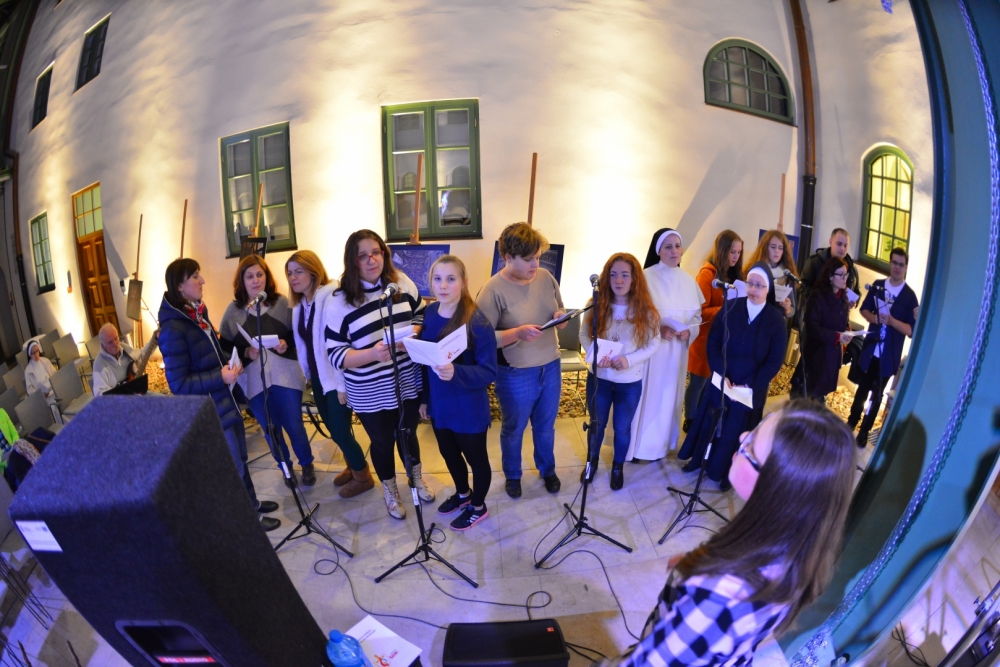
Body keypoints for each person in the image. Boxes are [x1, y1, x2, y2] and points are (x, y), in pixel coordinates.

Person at [597, 399, 855, 667]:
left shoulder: (717, 596)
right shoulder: (795, 551)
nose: (742, 436)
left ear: (773, 490)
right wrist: (696, 565)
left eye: (751, 445)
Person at [158, 258, 280, 532]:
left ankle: (252, 504)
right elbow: (178, 384)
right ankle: (247, 521)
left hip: (225, 401)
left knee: (241, 460)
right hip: (209, 411)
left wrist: (233, 362)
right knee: (232, 467)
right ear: (180, 286)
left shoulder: (196, 315)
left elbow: (211, 355)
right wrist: (219, 377)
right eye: (195, 277)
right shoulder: (173, 329)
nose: (202, 281)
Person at [325, 230, 433, 519]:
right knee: (383, 442)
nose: (371, 260)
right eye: (363, 255)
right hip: (370, 389)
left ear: (384, 254)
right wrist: (372, 354)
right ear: (352, 261)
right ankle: (390, 491)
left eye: (376, 252)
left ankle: (416, 479)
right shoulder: (339, 301)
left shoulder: (401, 282)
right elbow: (335, 354)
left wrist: (413, 333)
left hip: (406, 380)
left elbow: (421, 314)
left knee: (408, 434)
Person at [476, 222, 568, 499]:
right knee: (514, 428)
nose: (535, 264)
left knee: (545, 426)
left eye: (538, 257)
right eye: (528, 259)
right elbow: (480, 338)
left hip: (550, 365)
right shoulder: (492, 290)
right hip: (515, 373)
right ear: (508, 257)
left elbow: (559, 307)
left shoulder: (545, 277)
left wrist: (560, 317)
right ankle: (513, 475)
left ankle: (547, 469)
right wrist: (516, 333)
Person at [679, 261, 787, 490]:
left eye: (759, 285)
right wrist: (720, 371)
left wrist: (751, 383)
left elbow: (774, 361)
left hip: (749, 389)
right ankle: (698, 461)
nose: (753, 289)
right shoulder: (731, 307)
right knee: (709, 424)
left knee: (735, 432)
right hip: (722, 380)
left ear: (768, 289)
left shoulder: (775, 320)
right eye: (750, 284)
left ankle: (727, 473)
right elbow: (713, 343)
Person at [220, 255, 317, 488]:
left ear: (267, 277)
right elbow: (223, 349)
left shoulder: (281, 303)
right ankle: (286, 469)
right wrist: (246, 353)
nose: (255, 281)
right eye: (249, 276)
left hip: (286, 375)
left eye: (259, 275)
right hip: (254, 381)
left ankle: (306, 464)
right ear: (241, 281)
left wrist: (285, 343)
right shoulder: (233, 312)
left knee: (294, 425)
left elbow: (298, 335)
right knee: (271, 430)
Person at [418, 255, 497, 531]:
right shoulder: (429, 313)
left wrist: (457, 372)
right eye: (438, 279)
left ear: (464, 282)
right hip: (440, 404)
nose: (443, 285)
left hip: (468, 406)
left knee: (476, 460)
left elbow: (489, 371)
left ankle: (479, 506)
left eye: (451, 279)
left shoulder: (477, 321)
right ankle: (463, 494)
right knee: (449, 454)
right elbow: (427, 361)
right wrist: (425, 399)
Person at [286, 250, 374, 498]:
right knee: (335, 428)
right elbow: (306, 346)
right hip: (318, 379)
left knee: (339, 430)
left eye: (298, 272)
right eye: (289, 273)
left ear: (313, 272)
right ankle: (353, 466)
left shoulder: (331, 298)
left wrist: (341, 384)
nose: (293, 278)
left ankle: (363, 476)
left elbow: (342, 342)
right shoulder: (300, 306)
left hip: (336, 379)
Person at [579, 253, 660, 489]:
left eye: (625, 275)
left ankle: (617, 467)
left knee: (622, 428)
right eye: (613, 274)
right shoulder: (595, 303)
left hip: (629, 382)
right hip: (600, 379)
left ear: (635, 278)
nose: (618, 280)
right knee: (596, 424)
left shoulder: (645, 310)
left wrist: (629, 360)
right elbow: (583, 334)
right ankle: (592, 462)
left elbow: (653, 343)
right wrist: (595, 354)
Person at [631, 229, 704, 460]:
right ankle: (640, 448)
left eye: (677, 246)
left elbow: (696, 317)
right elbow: (635, 315)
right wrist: (658, 329)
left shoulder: (688, 281)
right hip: (652, 352)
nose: (674, 251)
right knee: (648, 398)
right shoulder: (645, 278)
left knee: (669, 398)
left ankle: (662, 446)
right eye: (668, 247)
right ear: (658, 251)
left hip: (676, 353)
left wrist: (690, 331)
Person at [847, 248, 918, 447]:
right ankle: (851, 423)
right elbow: (864, 309)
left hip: (889, 356)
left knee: (876, 396)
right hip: (871, 350)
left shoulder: (909, 297)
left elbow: (911, 330)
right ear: (890, 263)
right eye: (894, 263)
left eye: (901, 264)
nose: (897, 267)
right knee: (862, 389)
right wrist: (876, 318)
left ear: (906, 267)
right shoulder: (878, 286)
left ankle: (864, 432)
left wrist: (893, 321)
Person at [684, 230, 744, 432]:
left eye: (738, 252)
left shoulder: (734, 275)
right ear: (722, 250)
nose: (736, 257)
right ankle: (690, 419)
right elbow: (700, 311)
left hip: (721, 340)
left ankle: (701, 418)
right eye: (732, 252)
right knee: (697, 384)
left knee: (711, 383)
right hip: (704, 339)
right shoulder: (707, 274)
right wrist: (727, 307)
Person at [792, 257, 853, 402]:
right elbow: (812, 326)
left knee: (820, 395)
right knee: (807, 396)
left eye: (846, 274)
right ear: (830, 276)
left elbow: (843, 321)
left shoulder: (844, 297)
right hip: (817, 354)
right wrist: (837, 337)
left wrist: (847, 331)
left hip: (832, 355)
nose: (845, 278)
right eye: (841, 275)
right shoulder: (818, 296)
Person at [800, 228, 860, 307]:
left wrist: (854, 302)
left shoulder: (852, 269)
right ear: (831, 242)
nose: (842, 248)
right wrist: (819, 300)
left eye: (845, 245)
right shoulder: (815, 262)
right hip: (816, 311)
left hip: (840, 312)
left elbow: (857, 291)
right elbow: (802, 287)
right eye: (839, 244)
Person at [745, 230, 799, 318]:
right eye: (773, 247)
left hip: (776, 321)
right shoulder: (756, 271)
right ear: (765, 248)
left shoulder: (787, 275)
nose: (777, 251)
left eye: (780, 248)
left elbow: (792, 311)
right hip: (755, 318)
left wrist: (787, 308)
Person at [24, 340, 61, 423]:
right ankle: (60, 424)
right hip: (43, 396)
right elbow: (30, 390)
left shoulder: (45, 361)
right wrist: (41, 394)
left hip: (53, 389)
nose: (36, 354)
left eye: (37, 351)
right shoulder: (28, 371)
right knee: (54, 406)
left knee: (63, 396)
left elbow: (54, 374)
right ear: (29, 354)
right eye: (33, 353)